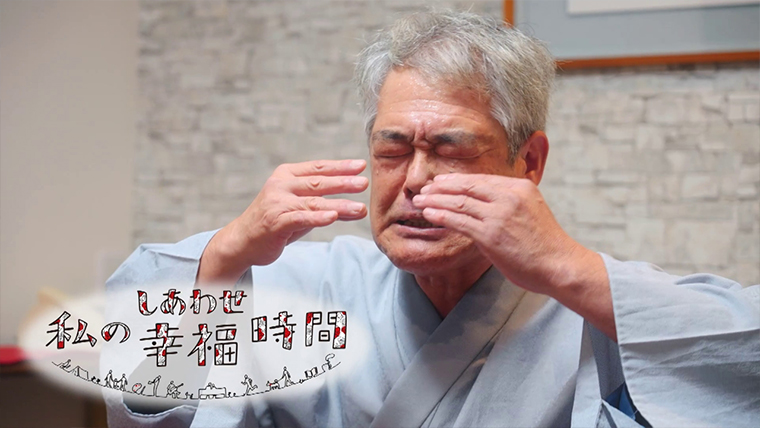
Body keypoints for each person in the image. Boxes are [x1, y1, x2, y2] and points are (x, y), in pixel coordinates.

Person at [104, 10, 759, 428]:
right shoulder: (307, 288)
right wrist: (222, 261)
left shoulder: (591, 308)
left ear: (528, 162)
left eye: (451, 148)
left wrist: (569, 269)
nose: (414, 180)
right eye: (391, 149)